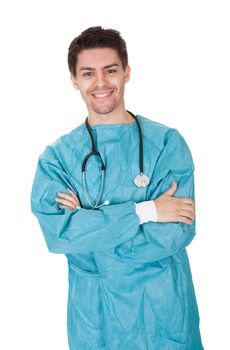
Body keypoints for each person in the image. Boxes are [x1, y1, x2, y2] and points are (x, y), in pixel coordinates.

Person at [30, 26, 204, 349]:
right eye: (88, 73)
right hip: (95, 320)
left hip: (163, 312)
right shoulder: (57, 159)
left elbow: (177, 231)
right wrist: (146, 210)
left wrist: (90, 225)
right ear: (74, 80)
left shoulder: (166, 145)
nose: (100, 83)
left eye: (110, 71)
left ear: (126, 72)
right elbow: (58, 233)